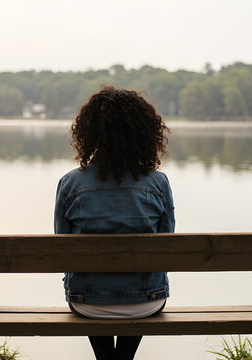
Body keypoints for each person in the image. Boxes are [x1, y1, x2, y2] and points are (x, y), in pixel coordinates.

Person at [54, 86, 175, 360]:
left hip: (87, 303)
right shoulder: (158, 183)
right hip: (147, 301)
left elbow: (62, 250)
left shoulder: (70, 183)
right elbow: (167, 247)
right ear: (144, 132)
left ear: (88, 131)